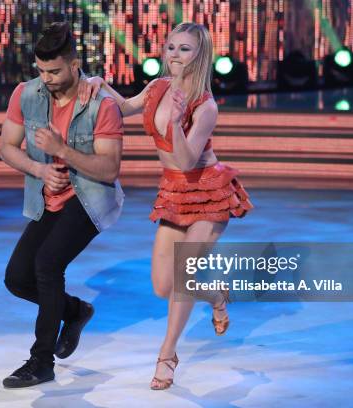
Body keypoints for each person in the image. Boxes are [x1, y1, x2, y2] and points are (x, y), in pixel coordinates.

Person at [79, 22, 253, 390]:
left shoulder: (205, 106)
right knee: (163, 285)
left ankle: (167, 355)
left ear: (200, 55)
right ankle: (217, 296)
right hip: (174, 192)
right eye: (171, 47)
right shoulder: (157, 87)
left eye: (184, 48)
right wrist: (99, 84)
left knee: (185, 271)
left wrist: (175, 121)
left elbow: (189, 161)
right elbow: (124, 107)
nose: (174, 54)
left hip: (207, 191)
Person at [0, 22, 125, 388]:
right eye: (41, 70)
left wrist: (62, 152)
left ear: (74, 64)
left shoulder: (102, 106)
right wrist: (39, 166)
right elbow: (7, 147)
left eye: (54, 71)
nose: (46, 78)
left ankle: (41, 361)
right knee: (17, 278)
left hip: (89, 198)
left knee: (47, 264)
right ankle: (75, 310)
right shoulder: (26, 94)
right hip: (46, 197)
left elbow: (109, 168)